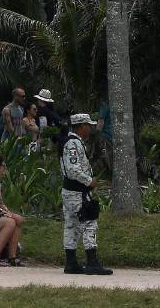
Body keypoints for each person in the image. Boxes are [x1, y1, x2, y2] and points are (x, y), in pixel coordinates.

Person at [60, 113, 111, 275]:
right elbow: (73, 169)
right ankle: (92, 262)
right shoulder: (73, 144)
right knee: (89, 223)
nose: (90, 128)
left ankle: (71, 262)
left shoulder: (72, 142)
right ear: (81, 126)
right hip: (78, 192)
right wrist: (89, 181)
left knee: (71, 225)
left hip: (70, 191)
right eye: (88, 125)